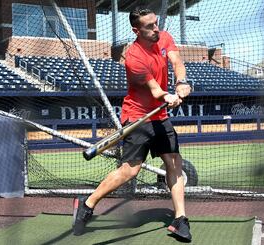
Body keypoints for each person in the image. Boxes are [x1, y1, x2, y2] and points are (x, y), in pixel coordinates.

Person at [72, 7, 192, 242]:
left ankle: (180, 219)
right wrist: (167, 96)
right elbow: (155, 91)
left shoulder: (164, 37)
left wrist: (181, 83)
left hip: (160, 118)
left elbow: (177, 60)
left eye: (156, 23)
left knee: (173, 162)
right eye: (149, 26)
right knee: (130, 170)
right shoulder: (134, 56)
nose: (156, 29)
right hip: (137, 117)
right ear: (136, 30)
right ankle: (87, 204)